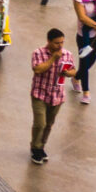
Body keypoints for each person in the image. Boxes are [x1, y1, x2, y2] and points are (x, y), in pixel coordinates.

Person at [27, 28, 71, 165]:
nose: (60, 46)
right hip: (40, 93)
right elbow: (37, 69)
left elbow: (73, 70)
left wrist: (68, 73)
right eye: (57, 43)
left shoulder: (67, 54)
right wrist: (53, 59)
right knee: (40, 123)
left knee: (49, 124)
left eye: (62, 42)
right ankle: (35, 147)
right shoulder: (38, 53)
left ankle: (41, 146)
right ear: (49, 41)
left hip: (57, 95)